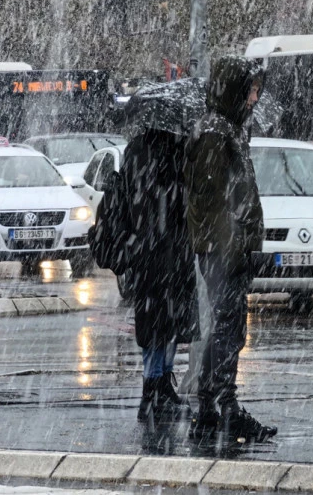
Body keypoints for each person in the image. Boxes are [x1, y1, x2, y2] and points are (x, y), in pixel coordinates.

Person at [185, 55, 277, 444]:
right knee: (228, 328)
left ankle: (212, 407)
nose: (254, 98)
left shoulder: (229, 130)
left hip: (228, 249)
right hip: (223, 251)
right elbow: (213, 203)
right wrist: (235, 247)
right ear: (233, 91)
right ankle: (224, 407)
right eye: (250, 91)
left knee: (227, 327)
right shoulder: (215, 134)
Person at [119, 127, 200, 424]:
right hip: (159, 251)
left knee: (166, 322)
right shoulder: (161, 150)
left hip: (161, 251)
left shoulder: (146, 148)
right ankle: (154, 389)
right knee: (160, 322)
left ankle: (160, 385)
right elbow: (158, 201)